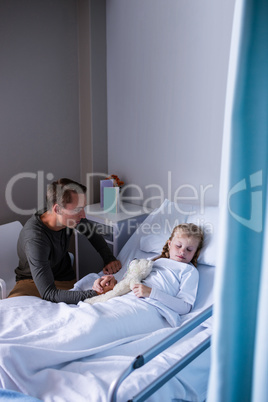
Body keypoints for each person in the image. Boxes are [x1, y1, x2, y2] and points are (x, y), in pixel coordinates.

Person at [8, 178, 121, 304]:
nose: (83, 215)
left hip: (63, 278)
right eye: (78, 209)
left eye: (83, 208)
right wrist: (97, 294)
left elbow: (92, 234)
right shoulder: (35, 239)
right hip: (30, 282)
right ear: (57, 209)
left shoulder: (68, 217)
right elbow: (48, 293)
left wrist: (109, 259)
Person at [86, 223, 204, 319]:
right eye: (178, 246)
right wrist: (110, 282)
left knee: (103, 321)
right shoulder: (153, 262)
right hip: (128, 297)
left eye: (189, 249)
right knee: (91, 314)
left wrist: (151, 292)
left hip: (152, 306)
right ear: (169, 244)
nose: (182, 252)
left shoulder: (189, 271)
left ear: (195, 253)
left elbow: (186, 307)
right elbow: (129, 280)